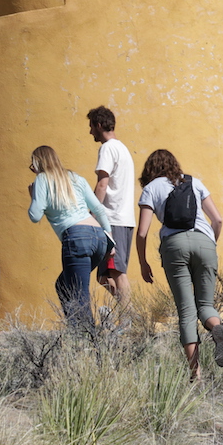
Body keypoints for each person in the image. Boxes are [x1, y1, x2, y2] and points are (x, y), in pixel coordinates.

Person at [136, 149, 223, 379]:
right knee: (205, 305)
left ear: (150, 170)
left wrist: (143, 263)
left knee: (187, 311)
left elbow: (142, 232)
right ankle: (216, 328)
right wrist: (209, 243)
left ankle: (195, 374)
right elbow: (217, 219)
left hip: (174, 246)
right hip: (205, 243)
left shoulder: (151, 189)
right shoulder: (194, 182)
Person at [27, 145, 111, 329]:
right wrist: (110, 238)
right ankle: (76, 330)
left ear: (38, 163)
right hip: (98, 236)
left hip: (76, 237)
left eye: (32, 165)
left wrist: (33, 195)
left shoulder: (42, 179)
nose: (32, 170)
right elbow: (97, 208)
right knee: (64, 284)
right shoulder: (75, 178)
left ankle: (86, 341)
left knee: (78, 293)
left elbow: (34, 216)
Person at [87, 106, 136, 306]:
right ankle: (127, 315)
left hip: (113, 219)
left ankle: (130, 322)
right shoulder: (122, 149)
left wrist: (90, 213)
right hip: (121, 219)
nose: (90, 132)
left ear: (99, 125)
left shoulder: (107, 148)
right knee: (103, 276)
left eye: (91, 127)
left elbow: (102, 183)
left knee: (117, 273)